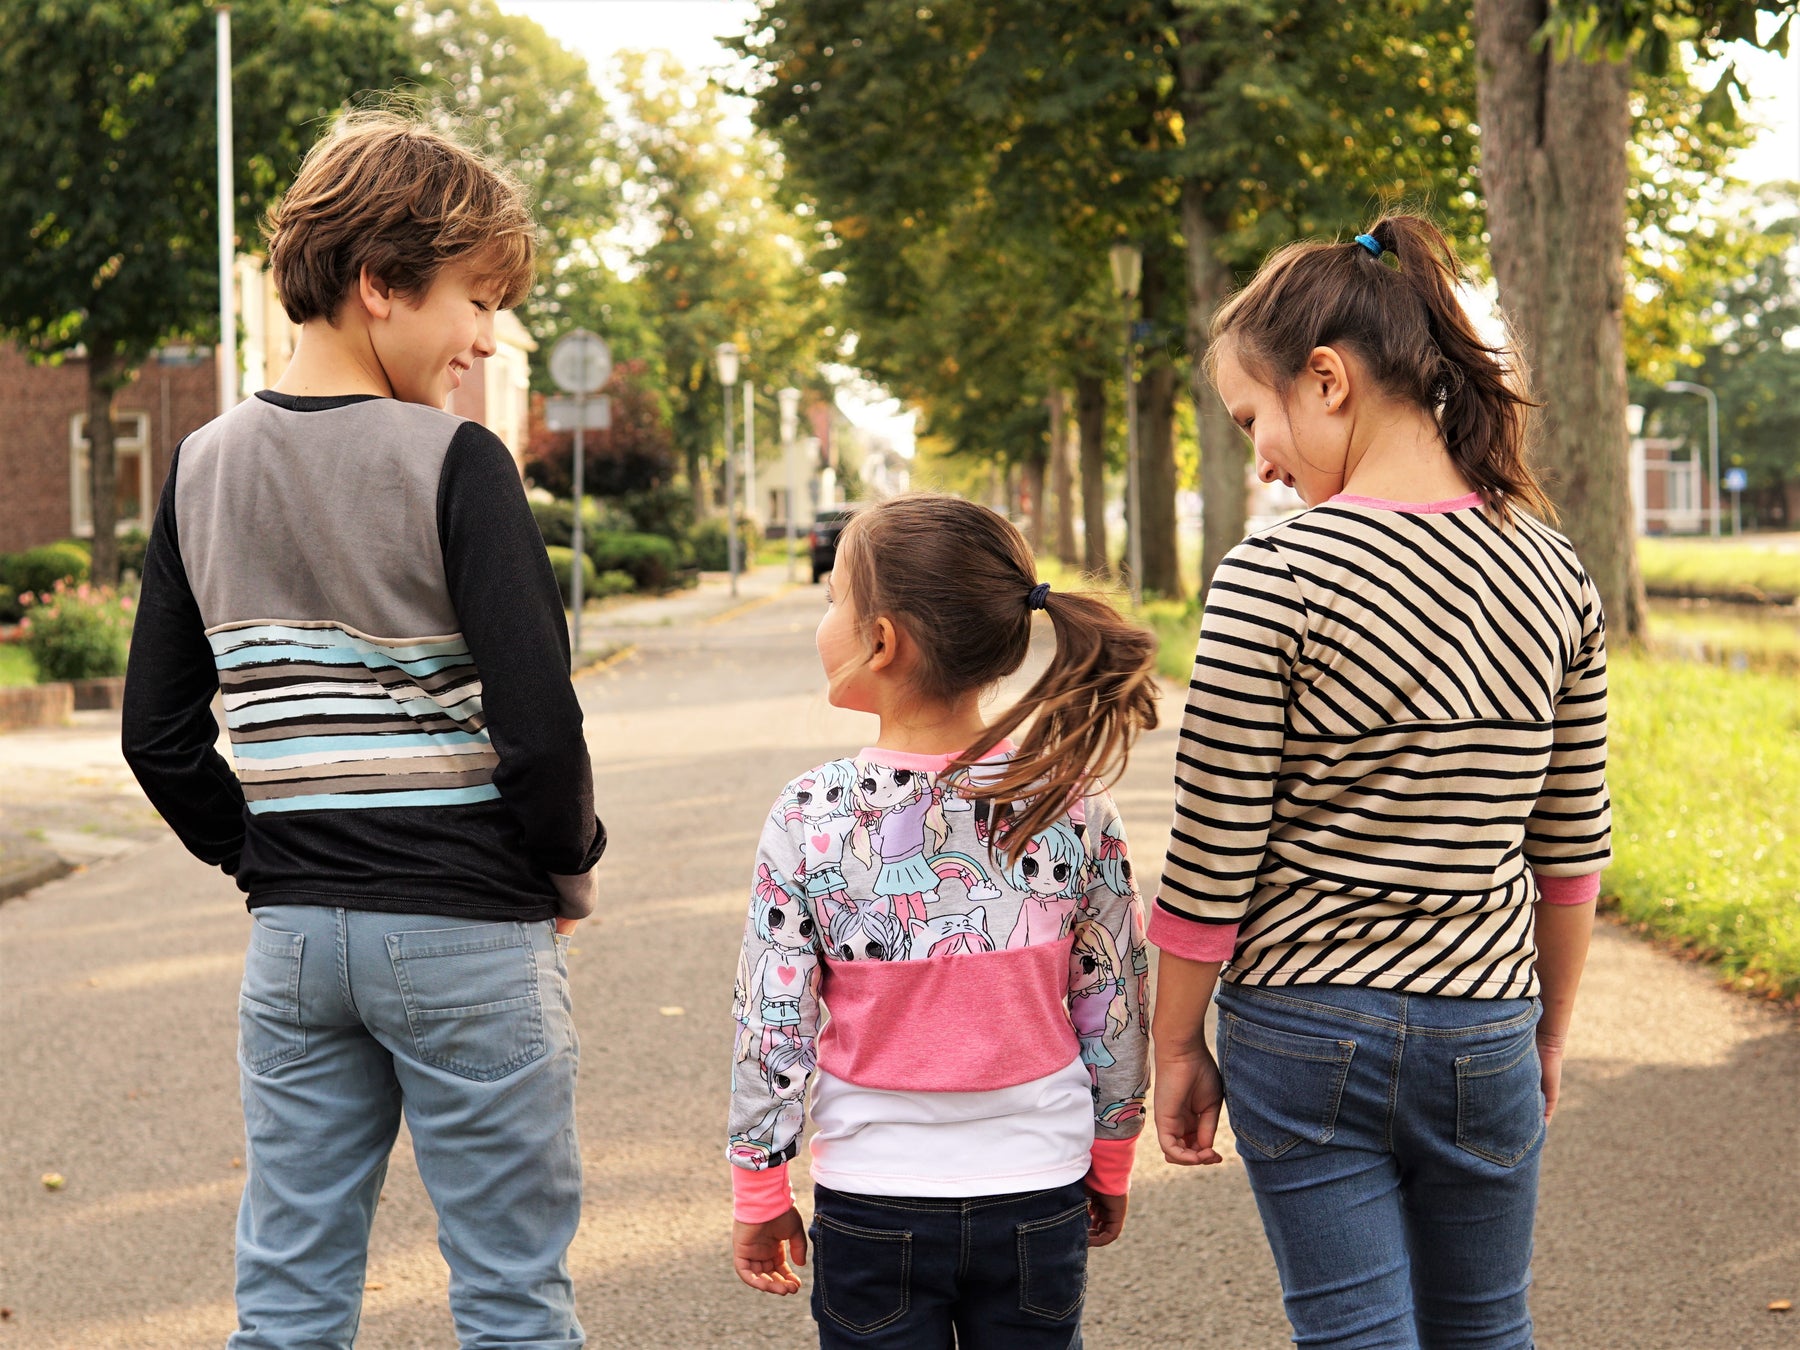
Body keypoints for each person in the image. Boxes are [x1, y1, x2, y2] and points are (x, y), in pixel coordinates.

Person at [121, 110, 604, 1349]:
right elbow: (540, 729)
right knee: (509, 1293)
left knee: (288, 1293)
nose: (487, 338)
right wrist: (569, 862)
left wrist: (268, 856)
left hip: (294, 947)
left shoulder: (201, 466)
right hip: (465, 936)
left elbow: (159, 739)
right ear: (381, 284)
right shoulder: (457, 463)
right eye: (474, 300)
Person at [1150, 214, 1611, 1350]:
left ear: (1328, 379)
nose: (1259, 457)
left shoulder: (1276, 576)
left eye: (1256, 419)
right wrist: (1547, 1031)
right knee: (1486, 1326)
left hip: (1304, 1032)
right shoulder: (1555, 570)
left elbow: (1214, 851)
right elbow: (1571, 850)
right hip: (1486, 1026)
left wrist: (1171, 1045)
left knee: (1355, 1334)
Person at [726, 493, 1160, 1348]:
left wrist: (761, 1186)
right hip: (1039, 1192)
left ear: (880, 640)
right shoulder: (1072, 806)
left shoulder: (812, 814)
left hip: (874, 1201)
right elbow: (1114, 998)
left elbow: (773, 1020)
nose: (824, 622)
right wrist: (1112, 1152)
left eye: (831, 602)